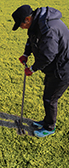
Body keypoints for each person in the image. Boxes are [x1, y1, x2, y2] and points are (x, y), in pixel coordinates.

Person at [12, 5, 69, 137]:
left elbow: (48, 55)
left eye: (20, 24)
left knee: (50, 99)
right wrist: (26, 54)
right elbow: (31, 39)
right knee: (48, 96)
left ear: (27, 19)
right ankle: (46, 121)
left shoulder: (49, 29)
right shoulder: (38, 23)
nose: (21, 27)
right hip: (55, 67)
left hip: (63, 68)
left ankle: (49, 128)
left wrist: (32, 68)